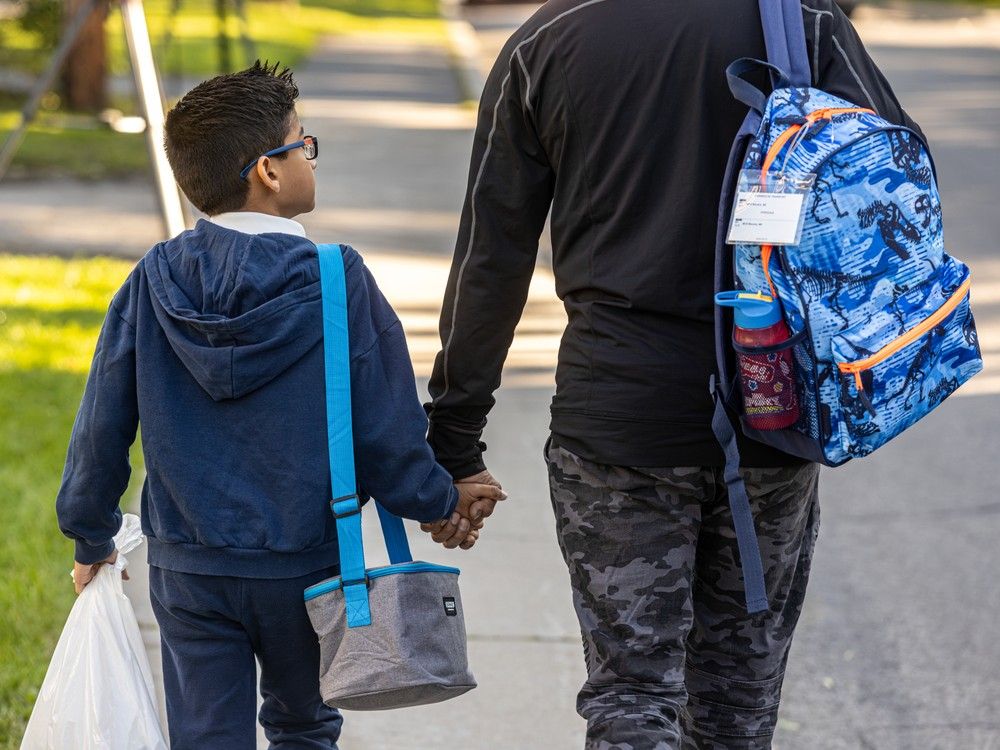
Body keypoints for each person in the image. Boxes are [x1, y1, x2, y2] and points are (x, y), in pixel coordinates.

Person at [421, 1, 919, 747]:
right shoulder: (801, 25)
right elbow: (903, 191)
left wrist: (454, 439)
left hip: (619, 424)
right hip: (773, 412)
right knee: (736, 706)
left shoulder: (548, 41)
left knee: (631, 698)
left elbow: (492, 262)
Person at [54, 61, 501, 749]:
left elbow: (100, 427)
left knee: (206, 735)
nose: (310, 158)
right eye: (304, 145)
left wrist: (91, 534)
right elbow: (387, 431)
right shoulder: (336, 280)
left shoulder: (153, 280)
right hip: (311, 569)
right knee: (302, 727)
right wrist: (440, 502)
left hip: (192, 568)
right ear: (268, 170)